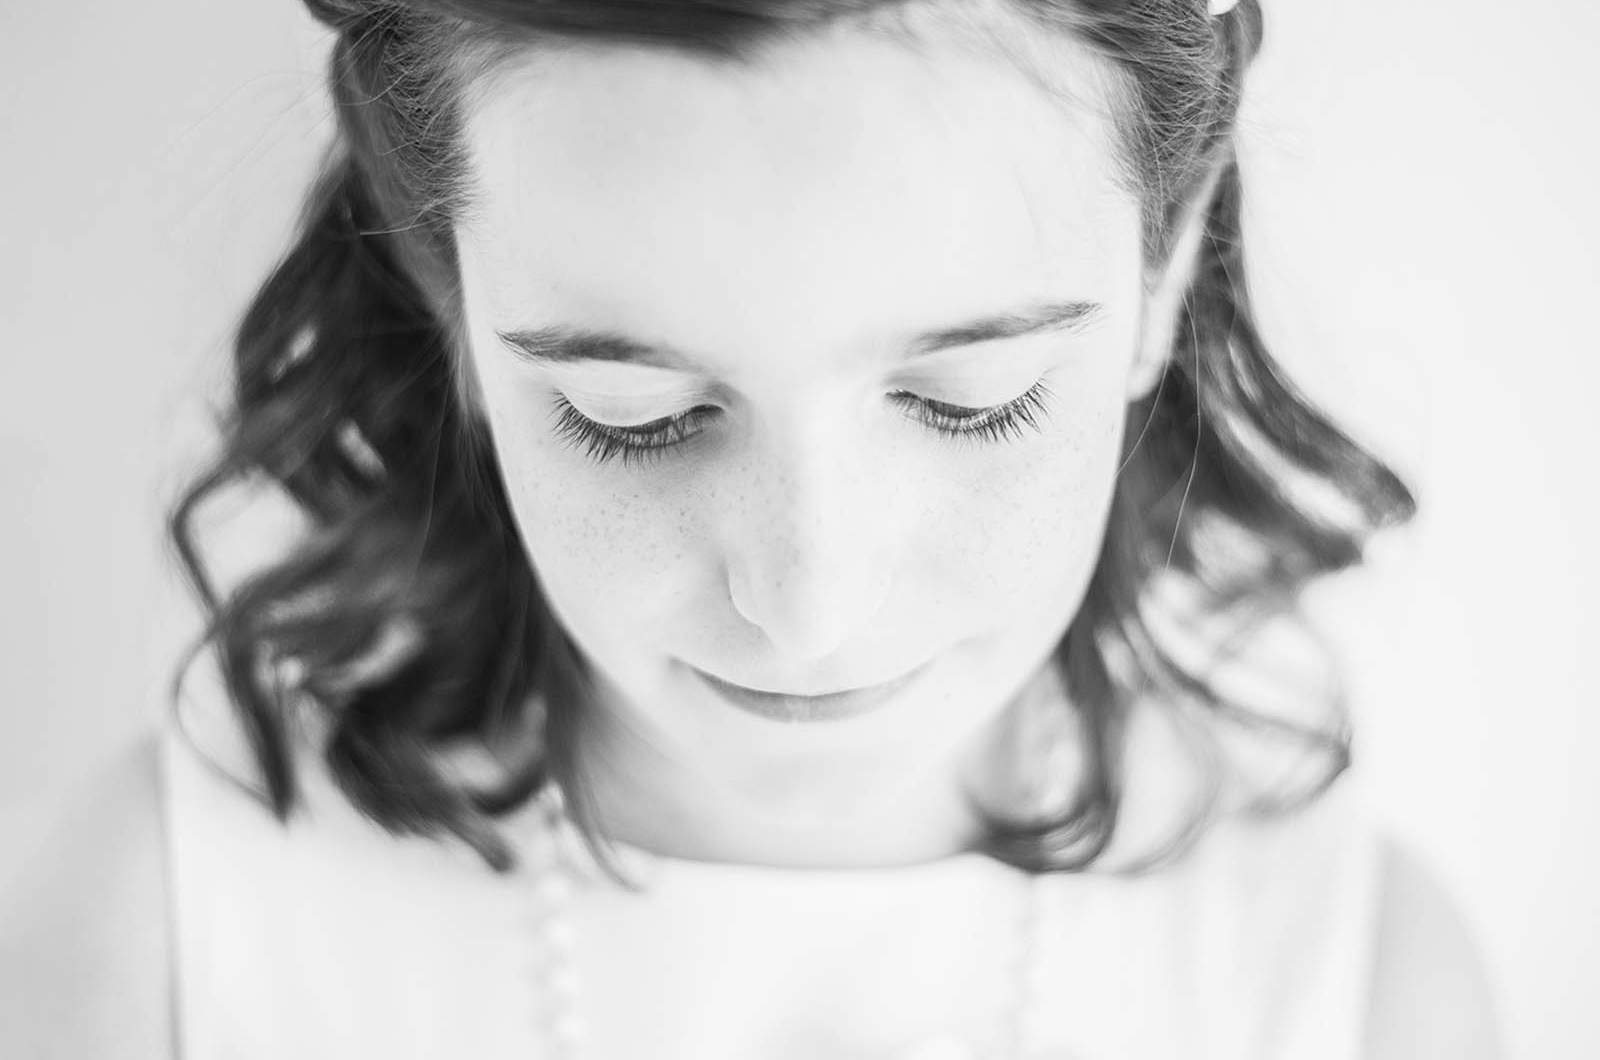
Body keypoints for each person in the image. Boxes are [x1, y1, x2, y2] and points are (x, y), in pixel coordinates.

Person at [7, 0, 1502, 1057]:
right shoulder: (166, 939)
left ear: (1164, 267)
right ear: (443, 288)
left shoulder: (1359, 996)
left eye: (972, 401)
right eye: (634, 415)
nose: (807, 608)